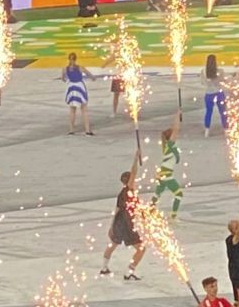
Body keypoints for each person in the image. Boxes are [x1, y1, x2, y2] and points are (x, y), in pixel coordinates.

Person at [100, 151, 144, 280]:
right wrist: (136, 159)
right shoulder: (129, 190)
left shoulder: (121, 194)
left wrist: (112, 226)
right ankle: (129, 272)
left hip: (119, 223)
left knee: (113, 244)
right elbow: (134, 173)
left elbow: (117, 210)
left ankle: (104, 267)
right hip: (127, 224)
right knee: (141, 248)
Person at [152, 111, 184, 220]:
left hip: (163, 174)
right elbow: (176, 129)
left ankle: (149, 210)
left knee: (157, 194)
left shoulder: (168, 147)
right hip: (166, 175)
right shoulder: (169, 146)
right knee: (178, 194)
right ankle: (173, 216)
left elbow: (175, 131)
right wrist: (177, 116)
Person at [61, 52, 96, 135]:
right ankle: (87, 130)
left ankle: (71, 130)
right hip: (79, 87)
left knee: (72, 109)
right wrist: (93, 78)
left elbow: (63, 78)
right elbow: (91, 76)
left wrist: (69, 82)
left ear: (69, 59)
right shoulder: (80, 67)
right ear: (75, 59)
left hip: (71, 88)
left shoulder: (65, 69)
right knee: (84, 109)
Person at [200, 54, 227, 137]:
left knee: (208, 112)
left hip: (209, 94)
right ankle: (226, 129)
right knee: (223, 112)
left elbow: (202, 83)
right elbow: (223, 81)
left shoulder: (203, 71)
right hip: (219, 94)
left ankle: (207, 130)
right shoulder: (220, 71)